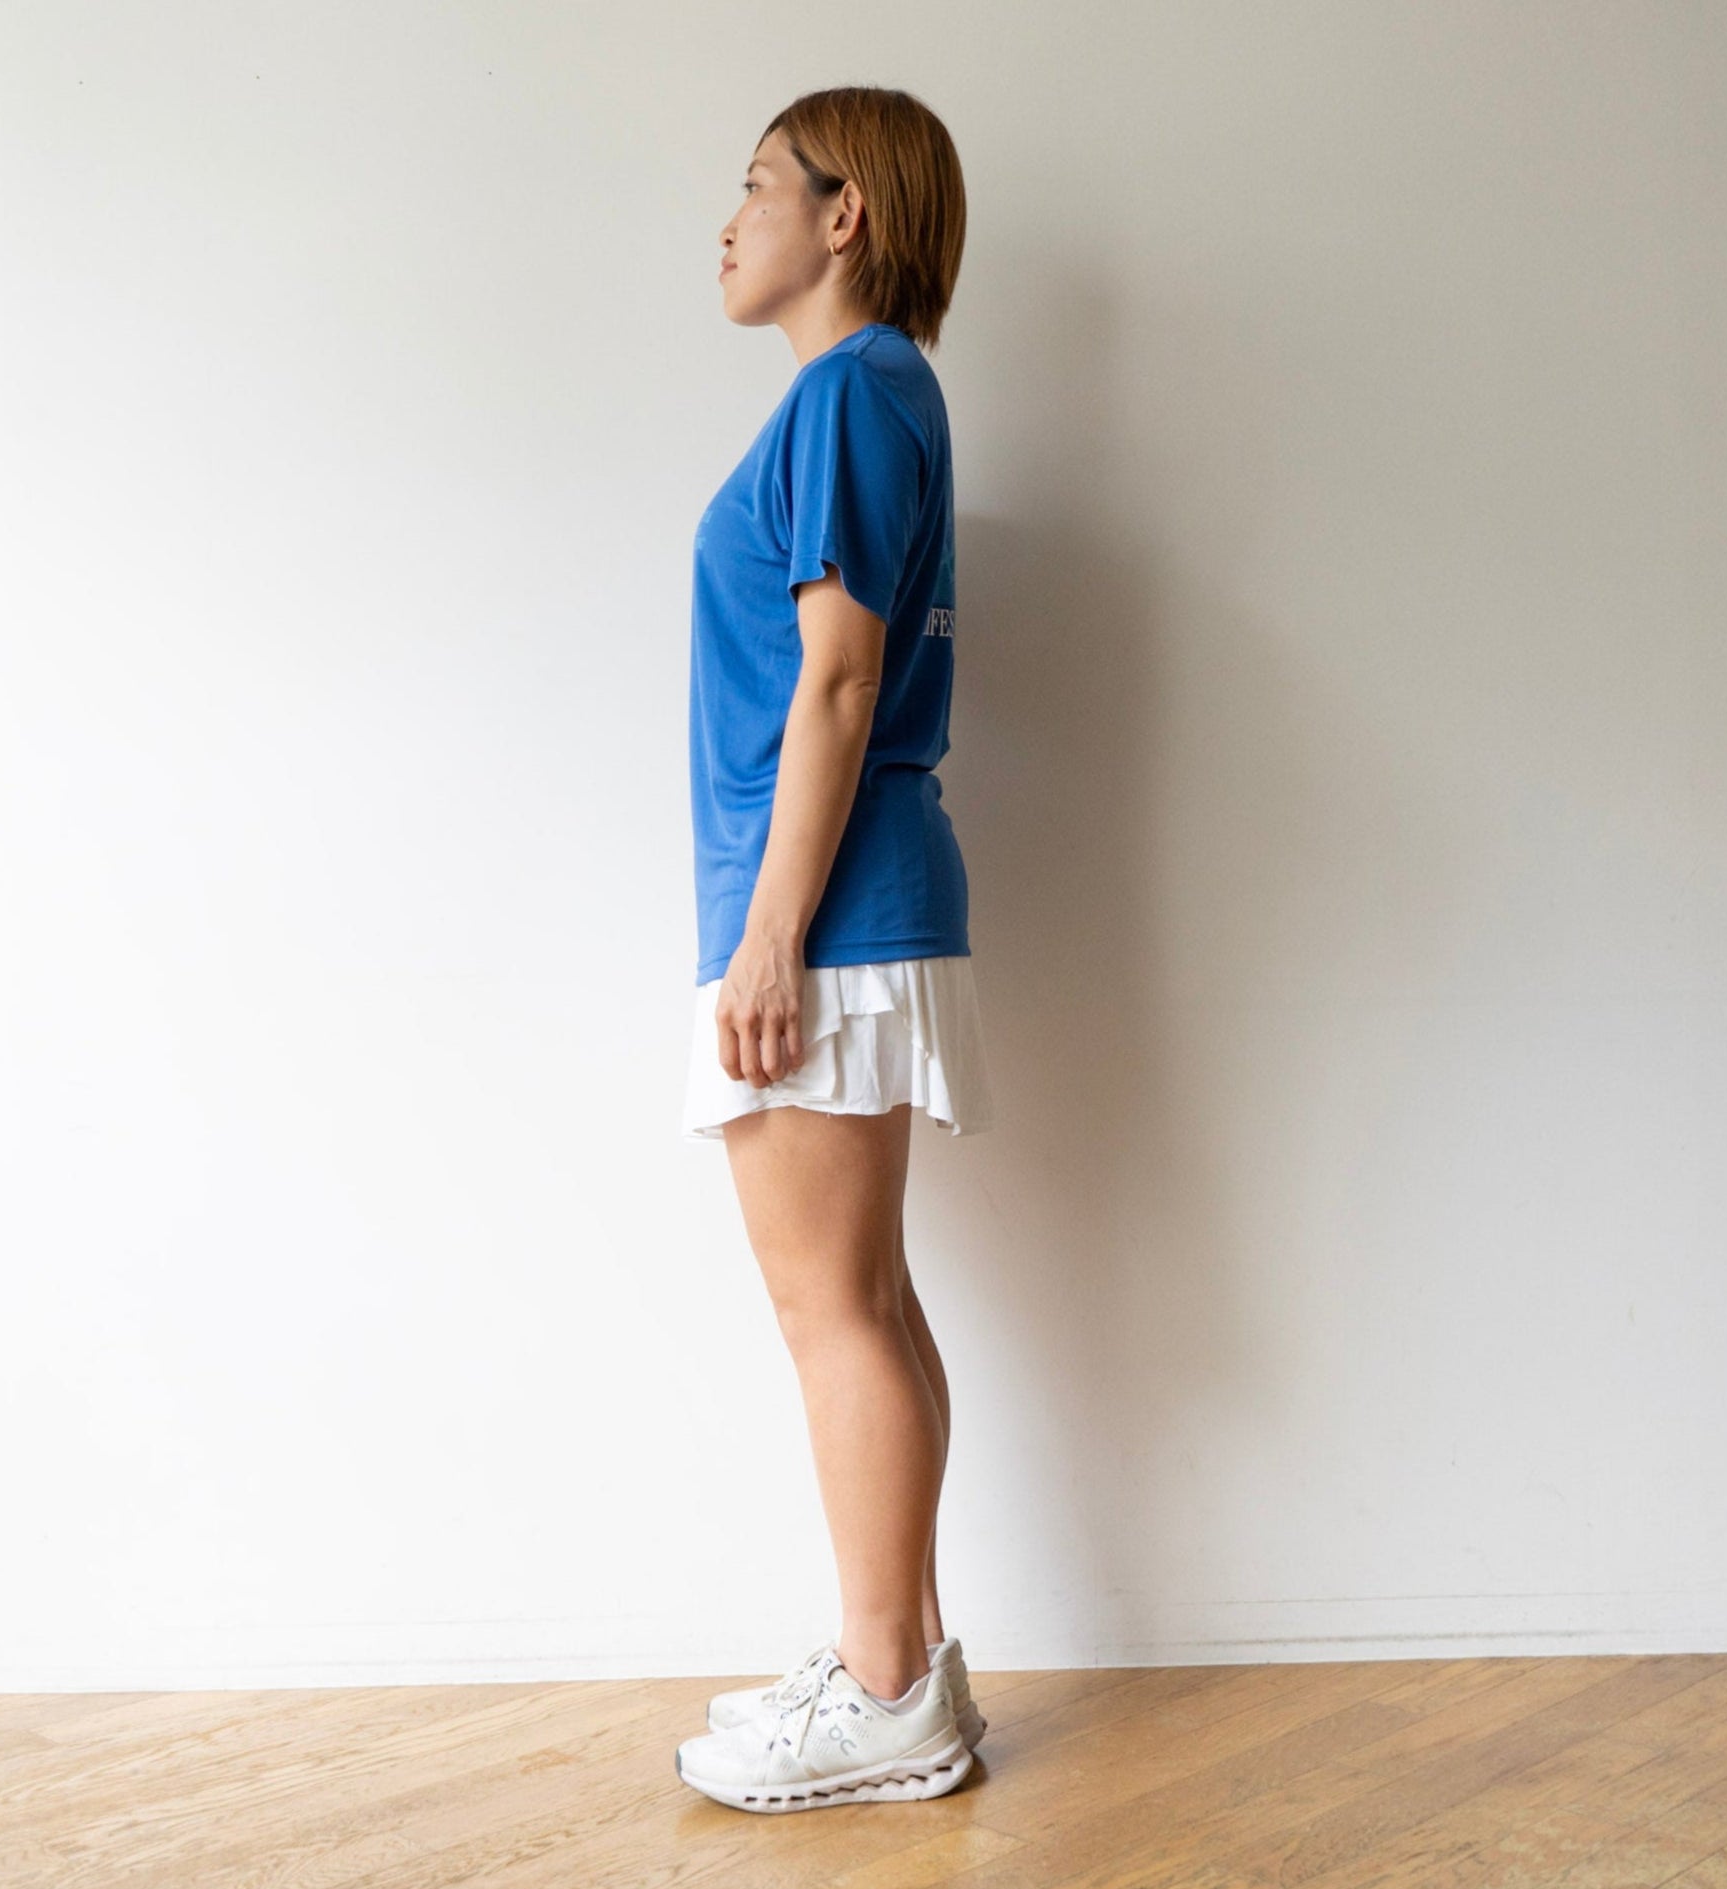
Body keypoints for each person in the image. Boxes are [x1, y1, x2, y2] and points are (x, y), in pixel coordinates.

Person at [673, 88, 995, 1814]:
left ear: (843, 211)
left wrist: (766, 940)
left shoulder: (850, 392)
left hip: (827, 914)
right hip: (850, 908)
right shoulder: (869, 394)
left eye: (753, 186)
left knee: (833, 1313)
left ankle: (882, 1695)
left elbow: (842, 678)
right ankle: (906, 1668)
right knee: (862, 1303)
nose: (726, 222)